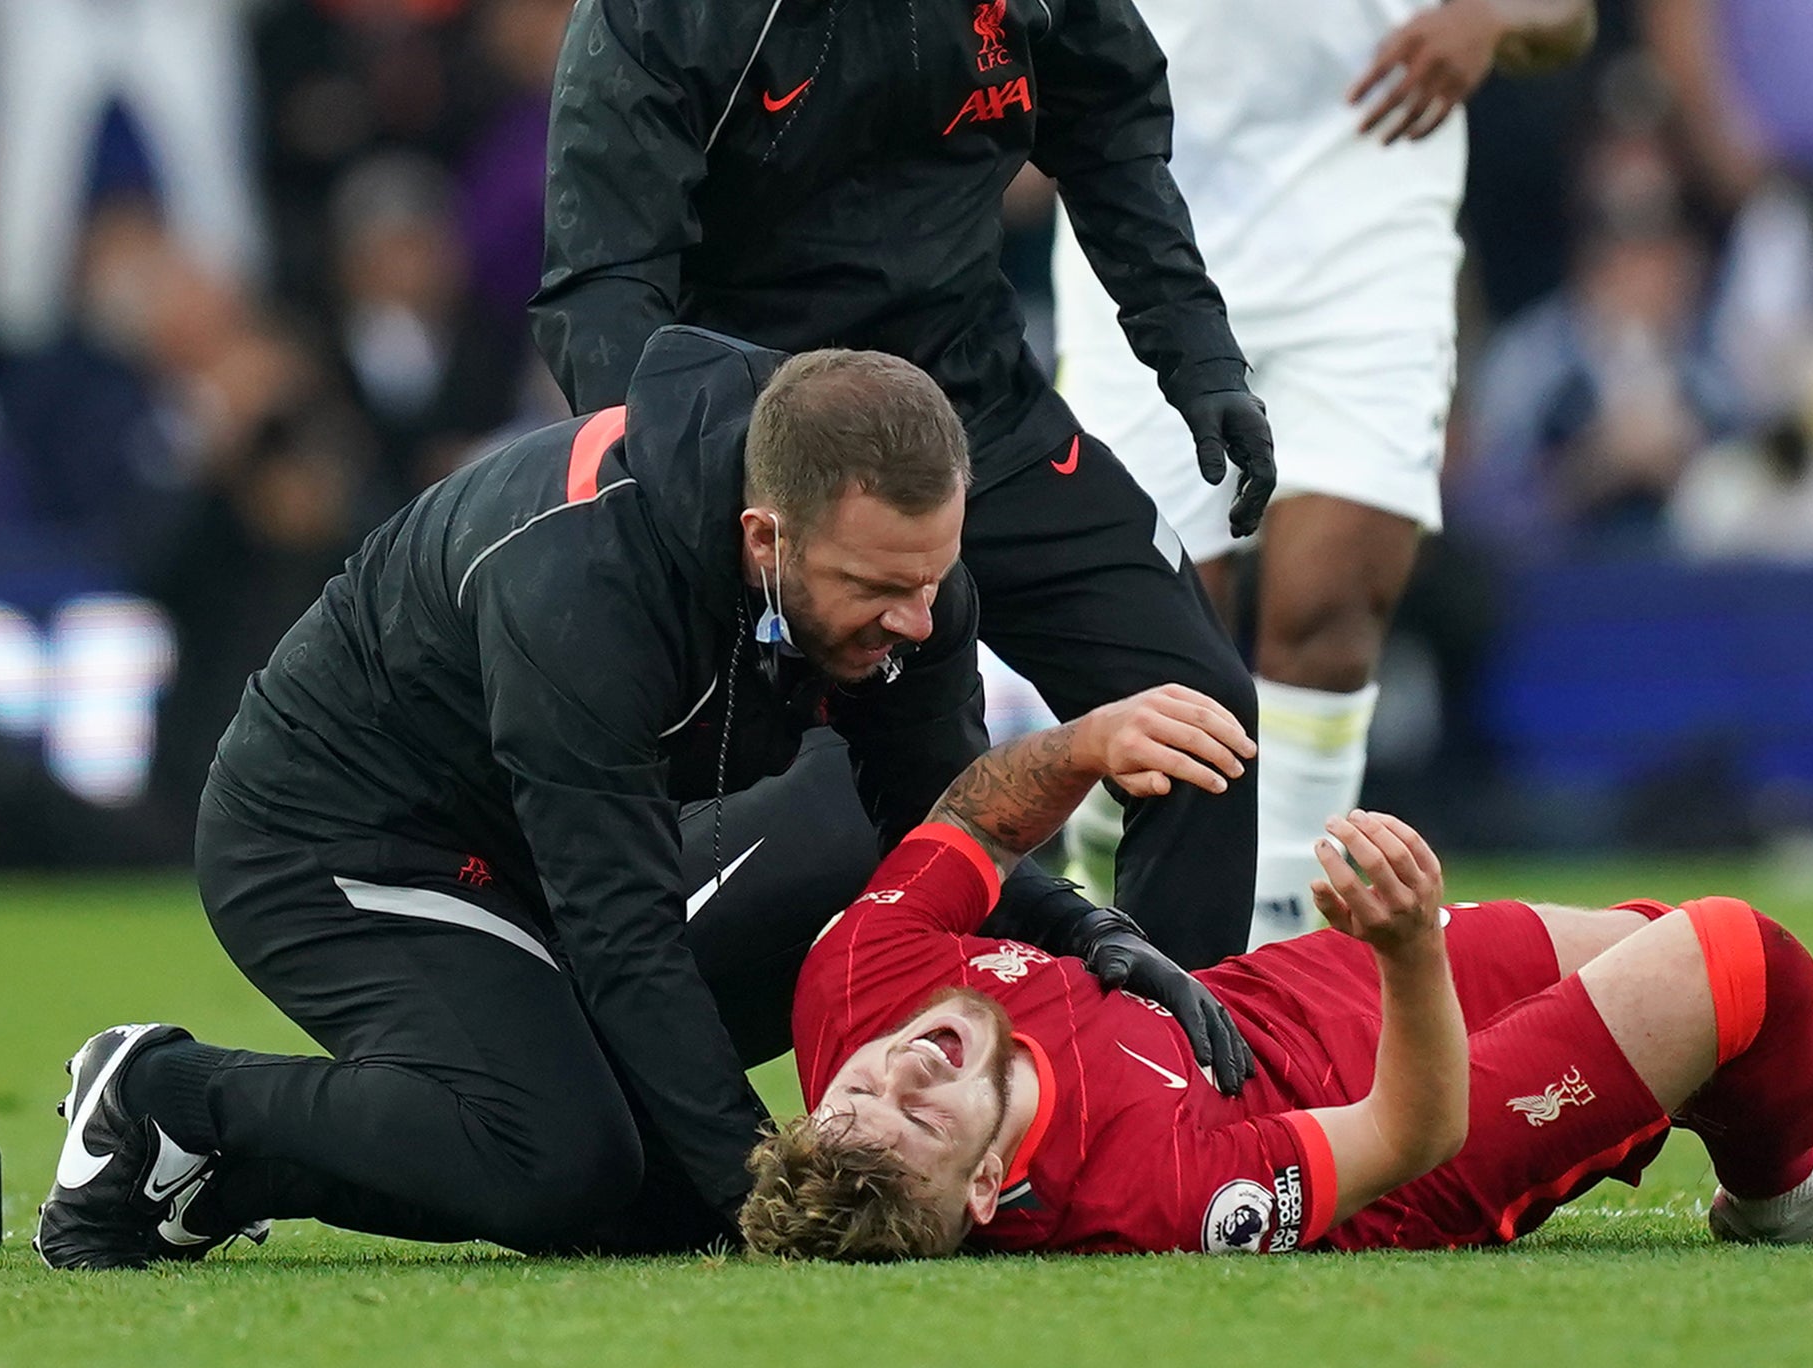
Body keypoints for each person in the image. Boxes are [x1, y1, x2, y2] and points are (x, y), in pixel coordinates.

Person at [32, 328, 1239, 1270]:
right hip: (336, 836)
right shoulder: (578, 587)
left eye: (935, 579)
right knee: (566, 1161)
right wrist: (761, 1193)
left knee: (693, 1125)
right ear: (762, 536)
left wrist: (1093, 931)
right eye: (878, 587)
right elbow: (619, 927)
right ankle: (163, 1101)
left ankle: (220, 1179)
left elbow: (933, 828)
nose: (919, 623)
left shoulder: (900, 575)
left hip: (551, 849)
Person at [742, 694, 1813, 1259]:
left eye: (867, 1079)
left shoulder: (856, 984)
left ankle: (1753, 1099)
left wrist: (1082, 743)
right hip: (1404, 1144)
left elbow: (971, 820)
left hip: (1275, 1011)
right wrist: (1407, 948)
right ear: (984, 1182)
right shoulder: (1156, 1194)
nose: (907, 1061)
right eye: (919, 1110)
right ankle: (1785, 1192)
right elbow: (1405, 1128)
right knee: (1739, 956)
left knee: (1656, 939)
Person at [530, 0, 1277, 970]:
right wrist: (695, 500)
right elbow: (602, 278)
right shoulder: (670, 14)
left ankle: (1159, 1085)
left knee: (1202, 716)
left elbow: (1111, 131)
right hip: (768, 453)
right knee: (846, 806)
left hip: (976, 411)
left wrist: (1200, 354)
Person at [1051, 0, 1596, 946]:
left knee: (1332, 608)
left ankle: (1287, 954)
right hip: (1141, 208)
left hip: (1370, 218)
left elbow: (1570, 16)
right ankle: (1103, 864)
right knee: (1167, 646)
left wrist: (1489, 19)